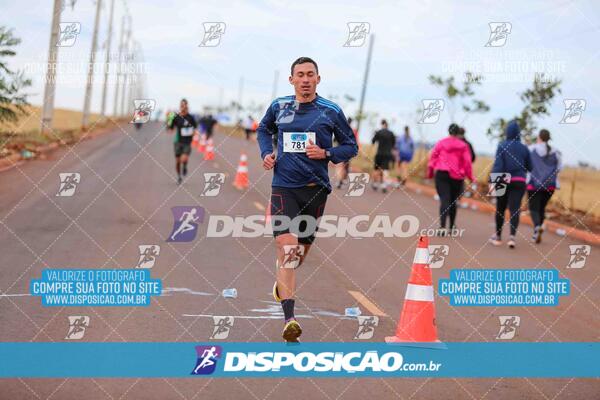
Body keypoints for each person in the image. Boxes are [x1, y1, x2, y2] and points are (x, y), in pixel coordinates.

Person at [257, 56, 358, 342]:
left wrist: (326, 154)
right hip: (284, 187)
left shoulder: (331, 111)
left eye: (310, 74)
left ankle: (282, 283)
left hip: (315, 189)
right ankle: (290, 319)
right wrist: (266, 153)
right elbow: (264, 129)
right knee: (286, 247)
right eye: (299, 74)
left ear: (317, 79)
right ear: (291, 80)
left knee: (297, 257)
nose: (304, 79)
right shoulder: (279, 106)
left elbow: (351, 147)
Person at [489, 120, 532, 248]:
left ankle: (498, 237)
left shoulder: (502, 145)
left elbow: (498, 165)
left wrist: (493, 182)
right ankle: (512, 238)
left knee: (500, 208)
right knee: (515, 209)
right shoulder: (524, 148)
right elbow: (530, 167)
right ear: (519, 133)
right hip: (519, 181)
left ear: (507, 132)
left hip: (502, 179)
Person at [427, 123, 474, 235]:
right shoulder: (463, 146)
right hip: (457, 176)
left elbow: (432, 158)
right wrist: (471, 177)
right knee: (453, 201)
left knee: (444, 199)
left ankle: (442, 227)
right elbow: (467, 162)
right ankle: (452, 226)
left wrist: (430, 174)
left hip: (441, 174)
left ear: (448, 131)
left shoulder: (441, 143)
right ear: (458, 133)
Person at [527, 129, 562, 244]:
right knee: (541, 208)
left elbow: (525, 164)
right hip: (550, 186)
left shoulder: (532, 149)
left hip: (534, 185)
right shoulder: (556, 152)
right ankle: (538, 229)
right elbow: (559, 168)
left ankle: (537, 227)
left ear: (539, 137)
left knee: (533, 208)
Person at [167, 99, 199, 184]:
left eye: (184, 105)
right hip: (178, 141)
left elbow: (195, 128)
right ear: (180, 106)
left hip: (187, 142)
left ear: (187, 106)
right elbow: (170, 129)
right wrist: (169, 122)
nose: (183, 107)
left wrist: (194, 133)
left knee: (183, 158)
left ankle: (184, 166)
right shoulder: (176, 117)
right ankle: (179, 176)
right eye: (181, 105)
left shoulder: (190, 117)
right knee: (177, 161)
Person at [371, 120, 396, 193]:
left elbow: (373, 141)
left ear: (382, 124)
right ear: (387, 125)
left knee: (376, 169)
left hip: (379, 154)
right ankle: (384, 185)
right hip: (387, 154)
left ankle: (375, 184)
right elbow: (394, 144)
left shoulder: (379, 132)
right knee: (385, 170)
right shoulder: (391, 133)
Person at [336, 116, 360, 189]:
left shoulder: (340, 128)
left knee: (340, 165)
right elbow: (356, 142)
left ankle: (339, 180)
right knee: (346, 165)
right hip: (349, 150)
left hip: (340, 149)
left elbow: (335, 139)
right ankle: (343, 180)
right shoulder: (354, 131)